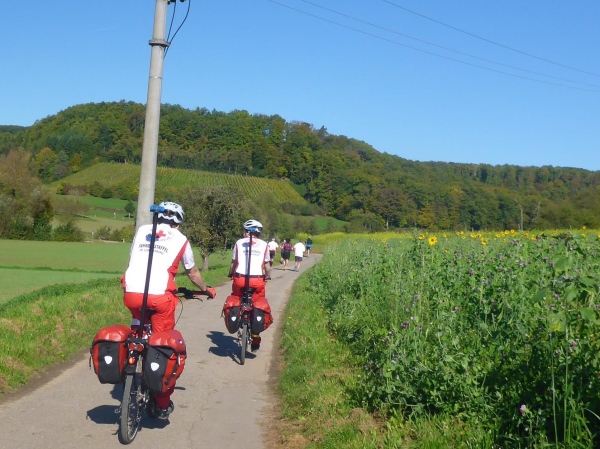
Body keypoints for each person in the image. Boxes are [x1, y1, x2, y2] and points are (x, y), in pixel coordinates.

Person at [121, 201, 216, 420]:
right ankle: (162, 403)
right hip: (160, 298)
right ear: (178, 222)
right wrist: (206, 289)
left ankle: (132, 356)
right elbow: (192, 272)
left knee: (138, 328)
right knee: (162, 345)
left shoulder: (142, 231)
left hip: (132, 293)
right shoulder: (181, 239)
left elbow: (135, 260)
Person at [228, 219, 272, 351]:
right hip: (257, 280)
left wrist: (230, 274)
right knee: (258, 303)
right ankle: (255, 337)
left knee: (236, 297)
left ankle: (238, 316)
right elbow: (267, 265)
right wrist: (268, 275)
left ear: (247, 231)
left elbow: (234, 262)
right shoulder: (264, 245)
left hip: (240, 278)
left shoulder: (239, 243)